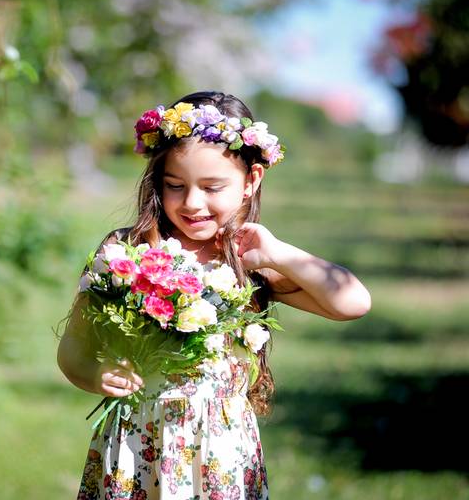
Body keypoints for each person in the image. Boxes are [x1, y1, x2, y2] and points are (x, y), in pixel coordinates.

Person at [57, 90, 371, 500]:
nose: (192, 203)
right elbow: (74, 350)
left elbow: (352, 303)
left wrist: (280, 254)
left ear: (250, 181)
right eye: (175, 185)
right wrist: (95, 374)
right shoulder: (127, 253)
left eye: (212, 187)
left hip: (221, 453)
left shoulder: (250, 260)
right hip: (138, 449)